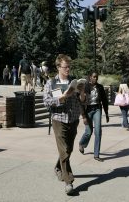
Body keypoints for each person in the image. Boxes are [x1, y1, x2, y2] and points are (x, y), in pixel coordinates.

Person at [43, 54, 86, 195]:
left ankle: (57, 167)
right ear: (58, 67)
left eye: (69, 66)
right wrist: (63, 97)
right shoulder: (51, 83)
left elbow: (82, 101)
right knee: (64, 150)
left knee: (68, 150)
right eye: (65, 67)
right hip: (58, 119)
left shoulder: (74, 81)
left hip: (73, 120)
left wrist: (82, 92)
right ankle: (69, 181)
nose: (68, 69)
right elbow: (46, 102)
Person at [79, 71, 109, 162]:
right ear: (90, 77)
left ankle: (96, 154)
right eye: (94, 77)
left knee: (98, 131)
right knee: (88, 131)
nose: (95, 78)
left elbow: (104, 100)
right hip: (87, 110)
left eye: (97, 77)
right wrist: (83, 116)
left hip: (97, 109)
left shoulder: (100, 87)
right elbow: (81, 102)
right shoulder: (85, 86)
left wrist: (107, 114)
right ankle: (82, 144)